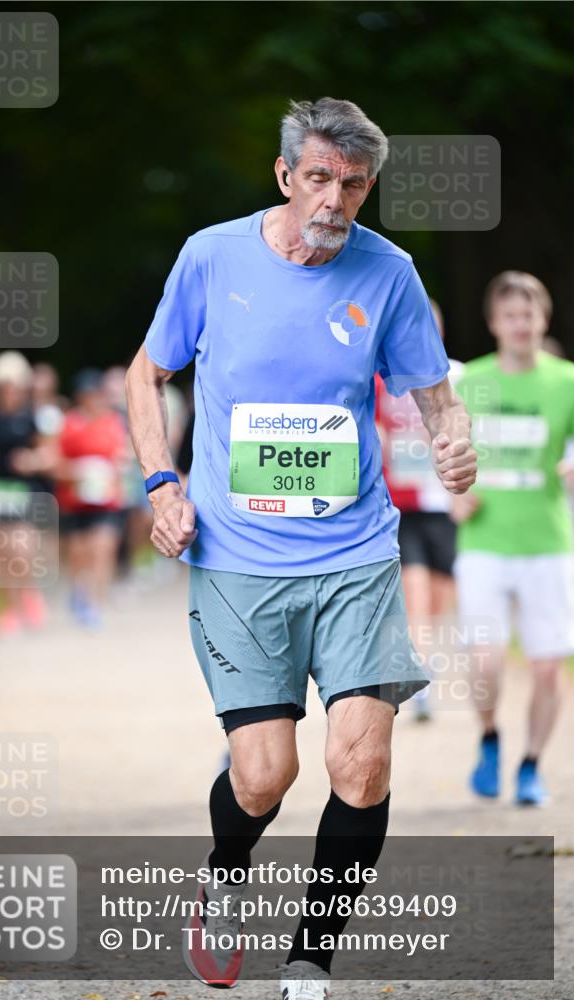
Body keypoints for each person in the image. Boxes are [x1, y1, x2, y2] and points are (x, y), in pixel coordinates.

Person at [126, 98, 476, 999]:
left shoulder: (387, 271)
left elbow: (434, 391)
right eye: (318, 178)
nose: (334, 199)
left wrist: (452, 437)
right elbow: (148, 371)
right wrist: (162, 483)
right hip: (238, 560)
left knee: (359, 764)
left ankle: (309, 961)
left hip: (354, 553)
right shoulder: (213, 255)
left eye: (354, 184)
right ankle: (224, 874)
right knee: (262, 774)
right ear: (285, 176)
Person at [453, 271, 574, 807]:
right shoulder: (468, 381)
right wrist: (453, 494)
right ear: (493, 322)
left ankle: (530, 766)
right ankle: (489, 741)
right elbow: (440, 452)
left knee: (548, 664)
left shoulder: (566, 380)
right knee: (486, 660)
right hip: (483, 541)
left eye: (529, 314)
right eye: (510, 315)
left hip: (548, 542)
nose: (520, 324)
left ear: (543, 319)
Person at [375, 300, 463, 721]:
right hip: (401, 504)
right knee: (416, 594)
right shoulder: (379, 380)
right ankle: (420, 680)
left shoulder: (458, 377)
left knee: (442, 600)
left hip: (443, 505)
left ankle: (420, 656)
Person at [0, 351, 48, 634]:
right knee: (0, 551)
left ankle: (28, 590)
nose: (8, 392)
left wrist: (31, 461)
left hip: (21, 488)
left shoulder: (30, 417)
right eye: (3, 386)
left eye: (13, 386)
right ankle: (9, 608)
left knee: (22, 548)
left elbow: (45, 453)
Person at [56, 369, 127, 627]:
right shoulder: (69, 424)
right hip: (76, 499)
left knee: (103, 548)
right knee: (80, 553)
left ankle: (96, 603)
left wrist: (117, 475)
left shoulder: (113, 423)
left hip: (107, 500)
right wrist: (76, 473)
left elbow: (121, 457)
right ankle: (79, 590)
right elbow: (57, 463)